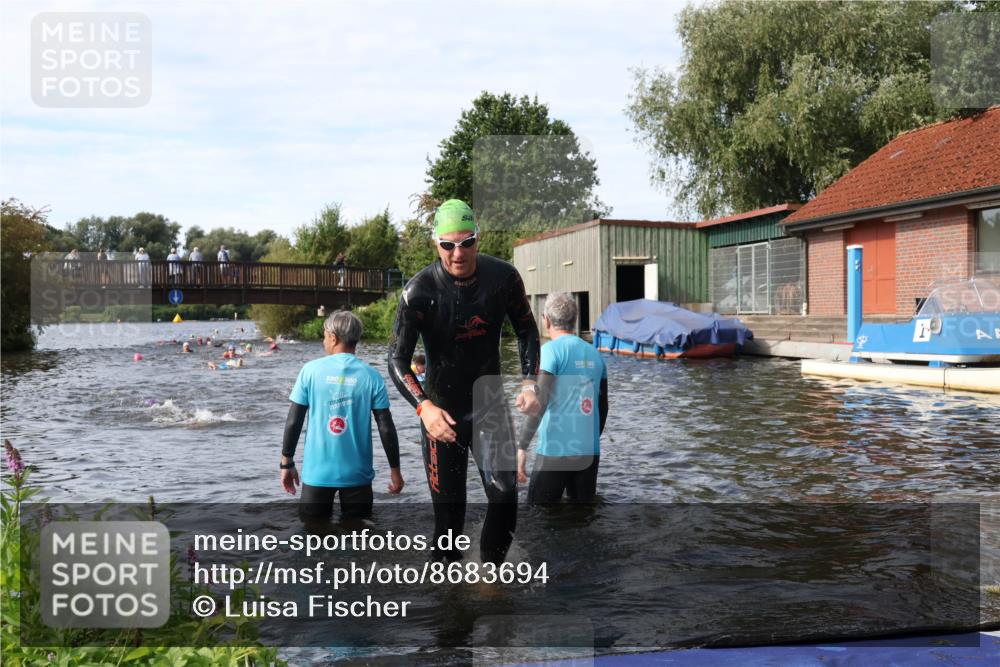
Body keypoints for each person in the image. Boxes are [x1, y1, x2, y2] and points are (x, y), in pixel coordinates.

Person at [387, 198, 540, 564]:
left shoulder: (503, 278)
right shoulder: (418, 293)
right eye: (448, 245)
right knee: (448, 522)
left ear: (478, 239)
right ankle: (448, 604)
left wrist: (529, 381)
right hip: (442, 415)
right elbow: (396, 360)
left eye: (467, 242)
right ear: (436, 244)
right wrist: (424, 407)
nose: (458, 253)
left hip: (489, 407)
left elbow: (527, 329)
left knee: (504, 497)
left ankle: (491, 580)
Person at [282, 311, 404, 522]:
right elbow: (386, 427)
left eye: (324, 336)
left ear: (333, 337)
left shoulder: (310, 371)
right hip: (357, 476)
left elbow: (294, 421)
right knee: (360, 537)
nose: (323, 341)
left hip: (317, 475)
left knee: (313, 537)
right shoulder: (372, 376)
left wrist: (286, 463)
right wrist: (395, 470)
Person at [516, 292, 608, 503]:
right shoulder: (596, 354)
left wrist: (522, 447)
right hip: (589, 452)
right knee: (582, 518)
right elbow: (603, 408)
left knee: (539, 516)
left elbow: (539, 403)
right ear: (574, 320)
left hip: (555, 451)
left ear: (545, 320)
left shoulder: (549, 352)